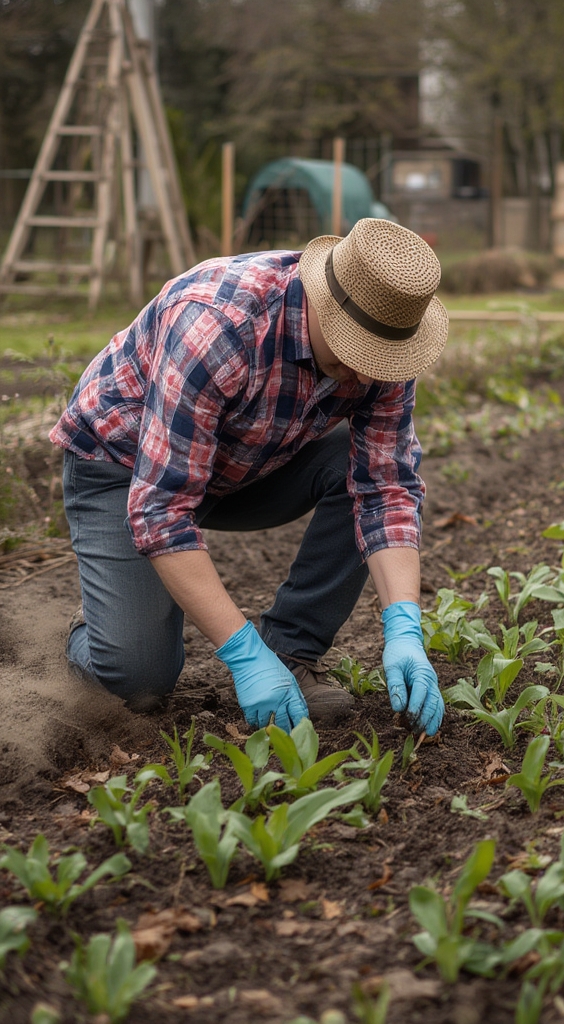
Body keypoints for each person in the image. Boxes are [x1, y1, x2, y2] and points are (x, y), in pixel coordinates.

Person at [50, 217, 449, 737]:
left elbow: (386, 487)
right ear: (323, 305)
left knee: (349, 468)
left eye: (384, 358)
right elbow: (162, 509)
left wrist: (405, 627)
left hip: (244, 464)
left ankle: (289, 652)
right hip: (123, 468)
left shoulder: (384, 338)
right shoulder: (216, 326)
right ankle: (93, 631)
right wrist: (241, 654)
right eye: (359, 353)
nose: (372, 375)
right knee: (137, 677)